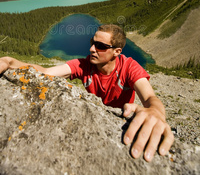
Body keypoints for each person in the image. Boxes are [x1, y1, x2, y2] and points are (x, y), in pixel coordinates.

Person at [0, 24, 174, 162]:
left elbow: (150, 98)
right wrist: (10, 62)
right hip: (96, 120)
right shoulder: (84, 65)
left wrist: (156, 112)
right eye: (92, 42)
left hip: (119, 124)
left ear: (117, 52)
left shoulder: (129, 67)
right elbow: (45, 72)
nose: (92, 49)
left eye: (100, 46)